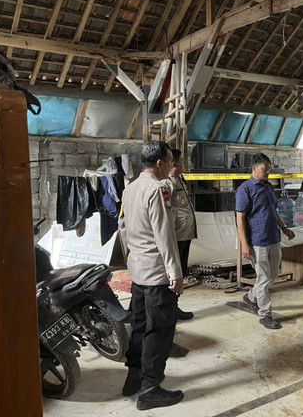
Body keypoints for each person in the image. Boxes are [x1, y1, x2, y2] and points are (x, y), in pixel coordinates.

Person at [118, 141, 184, 411]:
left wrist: (130, 260)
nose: (172, 166)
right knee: (158, 331)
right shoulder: (158, 190)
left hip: (138, 272)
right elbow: (164, 234)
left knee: (139, 326)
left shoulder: (130, 189)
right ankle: (150, 388)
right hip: (157, 275)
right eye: (169, 162)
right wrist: (175, 272)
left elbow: (121, 228)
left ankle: (133, 377)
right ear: (159, 163)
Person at [236, 153, 295, 329]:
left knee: (272, 276)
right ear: (254, 168)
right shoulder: (245, 189)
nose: (267, 172)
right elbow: (240, 218)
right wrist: (244, 244)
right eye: (264, 169)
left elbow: (273, 211)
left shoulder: (268, 187)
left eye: (268, 169)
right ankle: (265, 315)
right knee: (263, 278)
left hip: (274, 238)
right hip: (257, 241)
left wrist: (284, 228)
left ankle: (251, 296)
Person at [168, 148, 196, 321]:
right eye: (182, 161)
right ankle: (171, 308)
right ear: (174, 164)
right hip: (177, 235)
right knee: (174, 272)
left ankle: (174, 305)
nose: (184, 164)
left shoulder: (180, 179)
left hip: (185, 233)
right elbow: (168, 211)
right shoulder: (167, 183)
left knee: (181, 271)